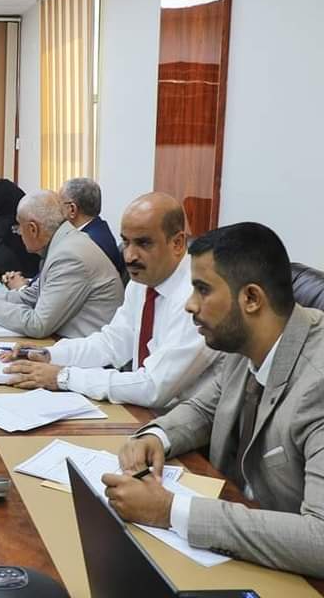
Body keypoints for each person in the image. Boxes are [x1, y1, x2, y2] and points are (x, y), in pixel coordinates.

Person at [104, 223, 324, 577]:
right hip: (236, 544)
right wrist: (156, 437)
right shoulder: (246, 341)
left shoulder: (318, 381)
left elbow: (319, 539)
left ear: (251, 298)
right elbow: (204, 408)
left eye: (202, 290)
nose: (190, 305)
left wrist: (170, 511)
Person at [1, 193, 220, 408]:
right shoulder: (142, 281)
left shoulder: (197, 297)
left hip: (176, 421)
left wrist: (63, 377)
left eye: (144, 243)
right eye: (126, 242)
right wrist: (50, 355)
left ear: (177, 243)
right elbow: (111, 343)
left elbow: (153, 387)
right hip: (139, 411)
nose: (130, 256)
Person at [0, 191, 122, 339]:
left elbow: (38, 324)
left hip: (86, 356)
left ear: (33, 229)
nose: (18, 233)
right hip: (64, 341)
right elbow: (29, 297)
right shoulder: (62, 244)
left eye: (18, 227)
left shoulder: (69, 255)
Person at [60, 178, 125, 275]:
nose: (58, 209)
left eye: (59, 204)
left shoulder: (86, 244)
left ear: (72, 209)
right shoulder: (99, 229)